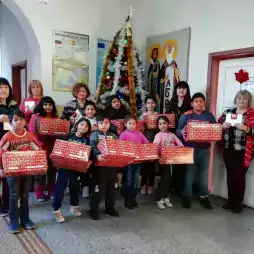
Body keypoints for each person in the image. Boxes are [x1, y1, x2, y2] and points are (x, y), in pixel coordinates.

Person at [0, 109, 41, 233]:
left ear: (26, 121)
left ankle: (25, 219)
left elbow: (37, 150)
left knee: (25, 195)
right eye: (15, 120)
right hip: (12, 172)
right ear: (11, 122)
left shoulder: (29, 136)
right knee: (14, 195)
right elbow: (1, 153)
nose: (18, 122)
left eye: (21, 119)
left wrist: (39, 165)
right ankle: (13, 221)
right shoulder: (8, 136)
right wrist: (1, 168)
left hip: (26, 171)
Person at [177, 92, 216, 209]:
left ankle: (204, 196)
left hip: (204, 149)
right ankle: (187, 197)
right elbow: (178, 131)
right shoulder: (186, 116)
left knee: (203, 174)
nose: (199, 103)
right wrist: (182, 132)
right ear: (192, 103)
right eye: (196, 101)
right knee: (189, 174)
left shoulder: (209, 116)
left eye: (201, 101)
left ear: (204, 103)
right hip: (189, 148)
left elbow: (215, 129)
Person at [218, 90, 254, 213]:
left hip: (244, 151)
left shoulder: (252, 114)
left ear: (248, 101)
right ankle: (231, 201)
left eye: (244, 99)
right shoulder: (228, 112)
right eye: (239, 98)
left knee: (239, 177)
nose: (241, 101)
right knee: (230, 176)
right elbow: (216, 126)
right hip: (228, 149)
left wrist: (246, 128)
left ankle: (238, 203)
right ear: (236, 100)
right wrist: (222, 126)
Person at [52, 117, 91, 223]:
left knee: (75, 187)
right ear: (77, 125)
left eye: (86, 126)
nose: (83, 127)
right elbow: (59, 148)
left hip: (77, 168)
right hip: (64, 167)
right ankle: (56, 210)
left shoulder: (87, 140)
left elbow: (89, 155)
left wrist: (88, 163)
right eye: (82, 124)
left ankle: (74, 207)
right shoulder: (68, 136)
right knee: (60, 188)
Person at [89, 115, 119, 220]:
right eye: (101, 123)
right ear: (97, 125)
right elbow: (92, 146)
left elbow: (119, 147)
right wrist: (97, 155)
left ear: (109, 124)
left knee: (112, 188)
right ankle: (94, 209)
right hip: (99, 166)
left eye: (106, 123)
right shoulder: (94, 135)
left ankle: (110, 207)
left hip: (111, 166)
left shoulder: (114, 136)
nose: (104, 125)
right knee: (98, 188)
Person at [29, 96, 58, 201]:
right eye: (45, 104)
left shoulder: (56, 118)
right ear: (41, 105)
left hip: (53, 148)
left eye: (50, 105)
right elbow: (31, 133)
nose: (48, 107)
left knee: (52, 172)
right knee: (39, 173)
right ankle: (39, 194)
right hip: (39, 147)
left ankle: (51, 191)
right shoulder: (35, 117)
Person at [166, 81, 192, 196]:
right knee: (174, 162)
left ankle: (182, 188)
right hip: (172, 136)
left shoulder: (190, 104)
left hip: (186, 136)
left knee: (184, 163)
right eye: (179, 88)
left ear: (187, 90)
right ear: (175, 90)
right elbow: (166, 119)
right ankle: (173, 186)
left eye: (184, 88)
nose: (181, 91)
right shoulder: (171, 103)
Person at [119, 115, 149, 209]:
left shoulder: (139, 133)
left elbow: (147, 144)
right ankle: (127, 200)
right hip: (127, 162)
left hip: (137, 162)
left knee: (135, 182)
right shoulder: (123, 134)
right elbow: (120, 147)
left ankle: (133, 199)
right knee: (128, 181)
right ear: (125, 124)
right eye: (129, 123)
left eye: (134, 123)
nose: (132, 125)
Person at [153, 116, 183, 209]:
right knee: (164, 179)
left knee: (170, 179)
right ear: (157, 126)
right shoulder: (158, 135)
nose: (162, 125)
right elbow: (155, 147)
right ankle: (159, 199)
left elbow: (181, 145)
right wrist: (158, 157)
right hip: (163, 161)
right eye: (160, 124)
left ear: (168, 124)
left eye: (164, 123)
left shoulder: (172, 135)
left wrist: (175, 148)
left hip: (172, 161)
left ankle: (166, 197)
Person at [0, 77, 18, 216]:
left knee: (9, 175)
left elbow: (18, 119)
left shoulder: (13, 104)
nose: (3, 90)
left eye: (6, 87)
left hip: (11, 143)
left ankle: (6, 205)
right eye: (0, 87)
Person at [139, 96, 158, 195]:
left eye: (152, 103)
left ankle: (150, 185)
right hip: (144, 143)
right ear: (146, 105)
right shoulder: (142, 116)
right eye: (148, 103)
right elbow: (139, 130)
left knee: (152, 166)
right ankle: (143, 185)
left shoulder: (158, 115)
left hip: (153, 143)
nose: (150, 105)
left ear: (155, 104)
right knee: (144, 166)